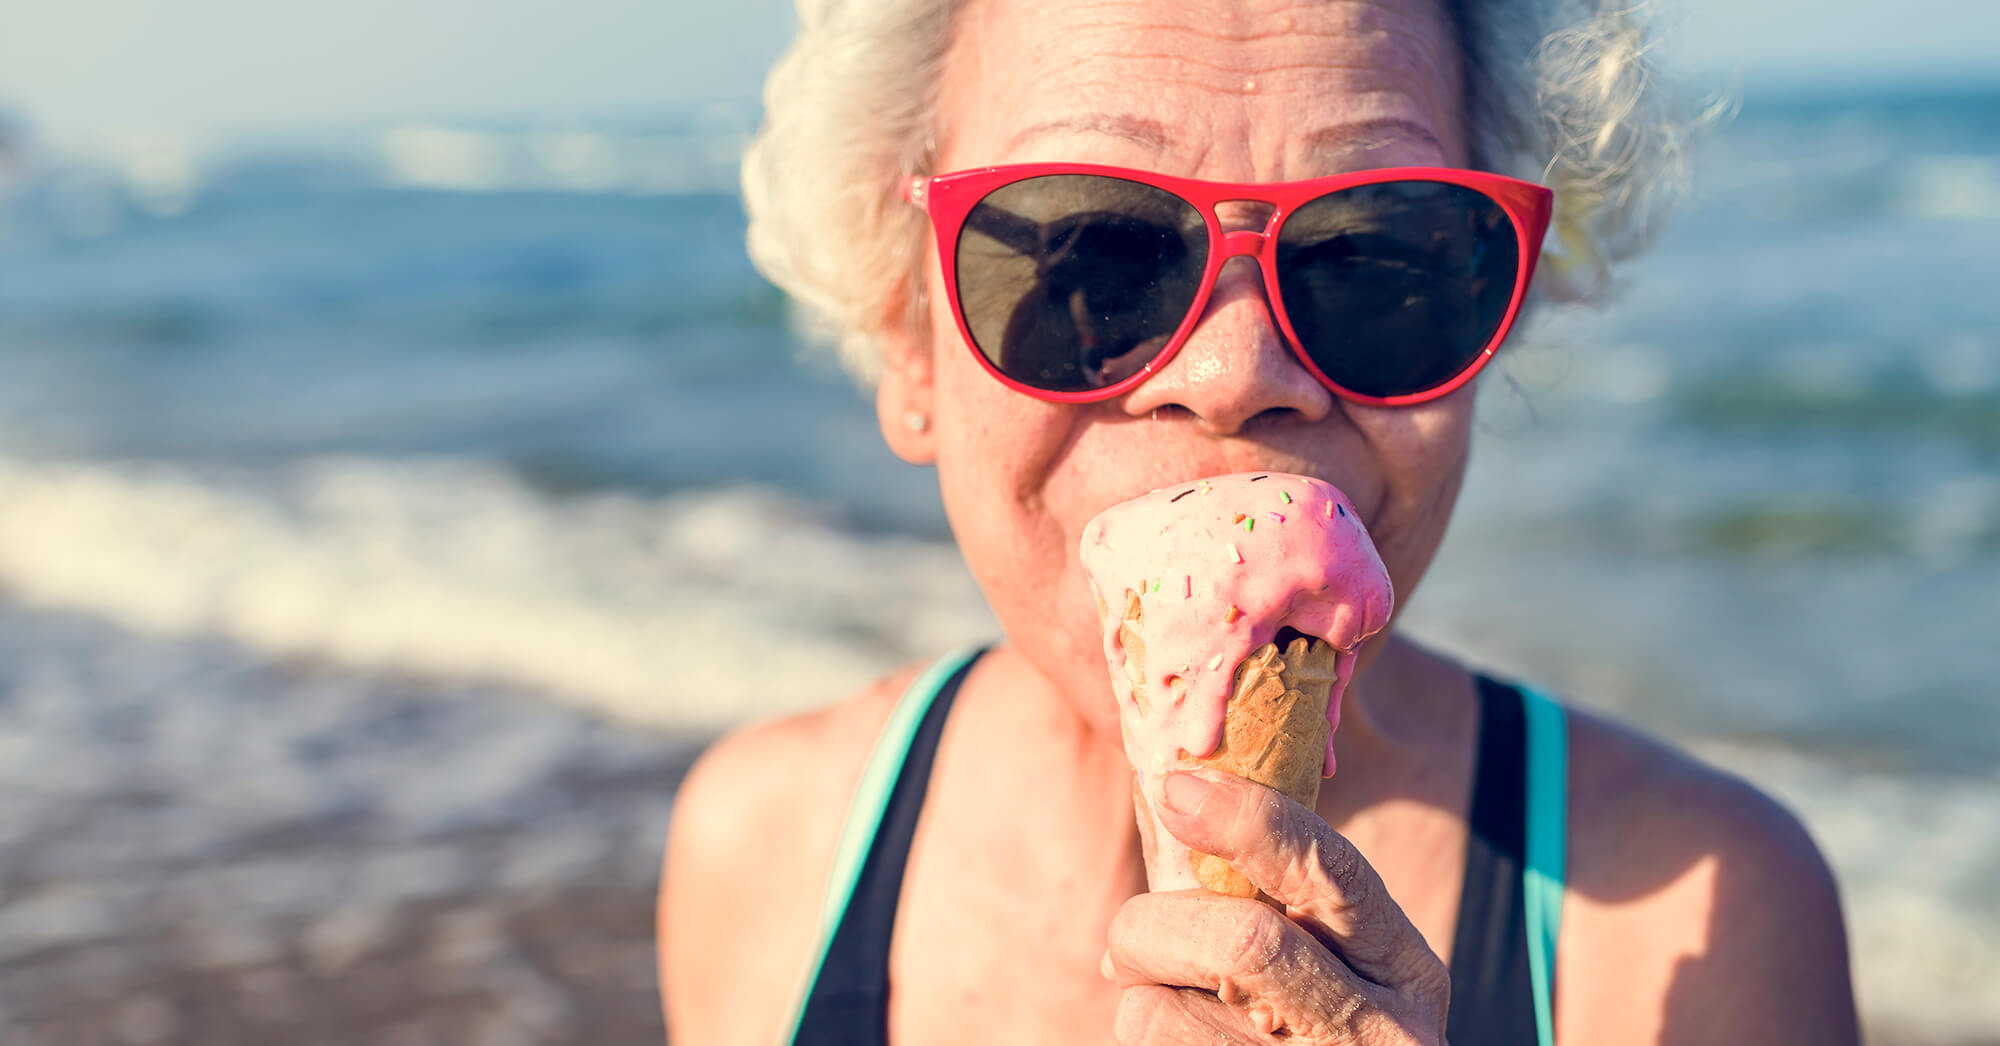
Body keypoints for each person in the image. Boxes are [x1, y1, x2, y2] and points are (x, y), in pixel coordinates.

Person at [663, 0, 1863, 1041]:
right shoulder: (765, 846)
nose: (1236, 371)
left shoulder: (1703, 914)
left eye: (1374, 255)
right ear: (907, 334)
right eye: (1093, 257)